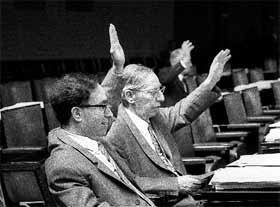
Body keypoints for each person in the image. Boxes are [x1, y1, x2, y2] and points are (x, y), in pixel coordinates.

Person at [44, 24, 155, 207]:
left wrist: (118, 67)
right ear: (77, 114)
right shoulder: (63, 165)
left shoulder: (93, 140)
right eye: (103, 107)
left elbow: (103, 95)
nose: (110, 114)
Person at [107, 49, 231, 206]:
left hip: (188, 199)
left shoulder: (155, 117)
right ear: (130, 96)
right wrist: (176, 184)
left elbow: (183, 110)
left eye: (161, 89)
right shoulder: (115, 133)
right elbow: (126, 184)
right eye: (153, 92)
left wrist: (210, 81)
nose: (161, 97)